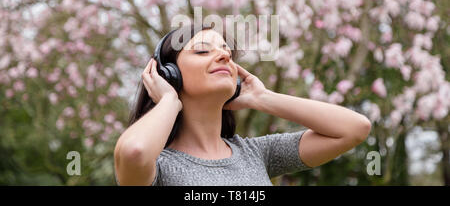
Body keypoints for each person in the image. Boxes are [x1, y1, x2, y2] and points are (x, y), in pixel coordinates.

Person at [114, 23, 372, 186]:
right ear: (170, 74)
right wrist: (170, 100)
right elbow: (134, 151)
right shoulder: (157, 168)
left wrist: (263, 99)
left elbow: (355, 128)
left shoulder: (257, 154)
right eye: (203, 51)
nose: (224, 55)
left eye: (226, 51)